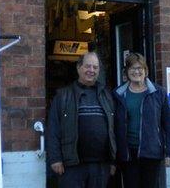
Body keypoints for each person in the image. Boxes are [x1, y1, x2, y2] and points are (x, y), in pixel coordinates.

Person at [46, 51, 117, 188]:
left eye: (95, 67)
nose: (91, 70)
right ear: (79, 68)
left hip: (101, 165)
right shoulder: (63, 96)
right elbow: (53, 129)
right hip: (72, 166)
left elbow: (114, 130)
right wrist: (55, 159)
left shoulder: (107, 95)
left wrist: (113, 161)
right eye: (88, 66)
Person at [113, 52, 170, 188]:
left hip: (151, 153)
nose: (136, 72)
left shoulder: (158, 93)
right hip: (127, 153)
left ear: (145, 70)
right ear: (127, 72)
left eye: (139, 68)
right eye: (132, 68)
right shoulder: (118, 94)